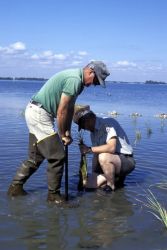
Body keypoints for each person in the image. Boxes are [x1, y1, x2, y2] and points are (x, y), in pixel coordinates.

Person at [7, 61, 110, 203]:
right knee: (58, 156)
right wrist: (62, 135)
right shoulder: (74, 80)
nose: (94, 84)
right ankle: (53, 197)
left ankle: (15, 189)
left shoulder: (78, 83)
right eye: (96, 81)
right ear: (90, 71)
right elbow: (61, 111)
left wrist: (67, 132)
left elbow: (68, 110)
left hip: (35, 111)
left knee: (35, 158)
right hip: (40, 114)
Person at [73, 107, 135, 192]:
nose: (84, 128)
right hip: (110, 162)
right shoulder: (93, 133)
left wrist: (89, 149)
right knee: (87, 185)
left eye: (83, 126)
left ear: (88, 120)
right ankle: (113, 178)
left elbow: (111, 148)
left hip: (126, 160)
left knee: (103, 156)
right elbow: (96, 154)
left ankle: (111, 185)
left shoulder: (107, 123)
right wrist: (94, 174)